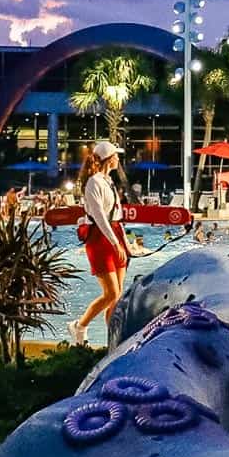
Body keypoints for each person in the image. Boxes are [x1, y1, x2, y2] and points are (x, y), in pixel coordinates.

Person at [70, 140, 130, 347]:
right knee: (111, 293)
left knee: (117, 296)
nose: (118, 159)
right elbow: (99, 217)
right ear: (108, 158)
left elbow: (116, 215)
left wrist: (124, 243)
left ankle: (112, 341)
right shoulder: (94, 182)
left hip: (114, 234)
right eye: (116, 155)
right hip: (100, 237)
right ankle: (80, 325)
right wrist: (115, 243)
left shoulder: (108, 180)